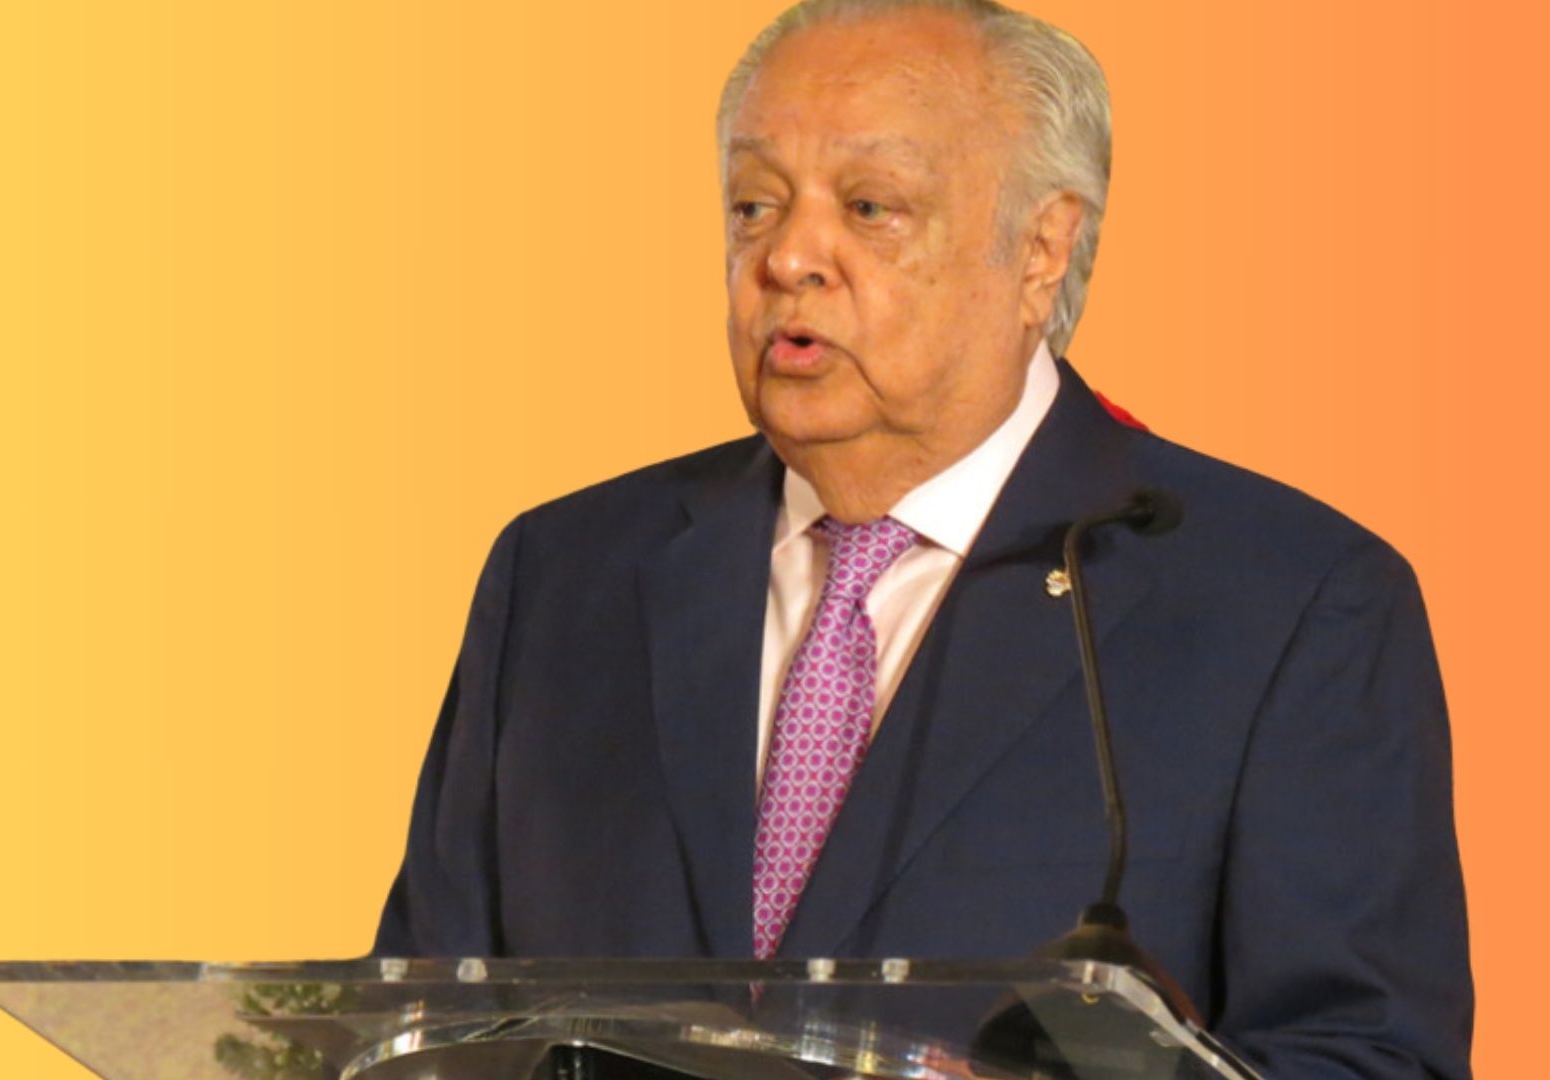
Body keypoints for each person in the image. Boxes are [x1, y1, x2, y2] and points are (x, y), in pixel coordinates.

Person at [374, 0, 1474, 1075]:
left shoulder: (1292, 602)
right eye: (754, 205)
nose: (788, 259)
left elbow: (1369, 1055)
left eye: (870, 206)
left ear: (1043, 249)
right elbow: (409, 1031)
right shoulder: (564, 576)